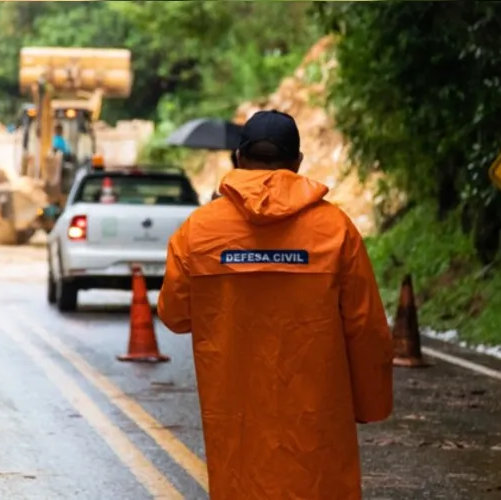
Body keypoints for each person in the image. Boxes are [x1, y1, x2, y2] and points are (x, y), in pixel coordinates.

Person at [158, 110, 393, 500]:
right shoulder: (335, 229)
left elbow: (176, 315)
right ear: (298, 163)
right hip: (316, 424)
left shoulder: (198, 231)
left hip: (236, 423)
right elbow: (365, 327)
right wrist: (371, 404)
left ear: (238, 158)